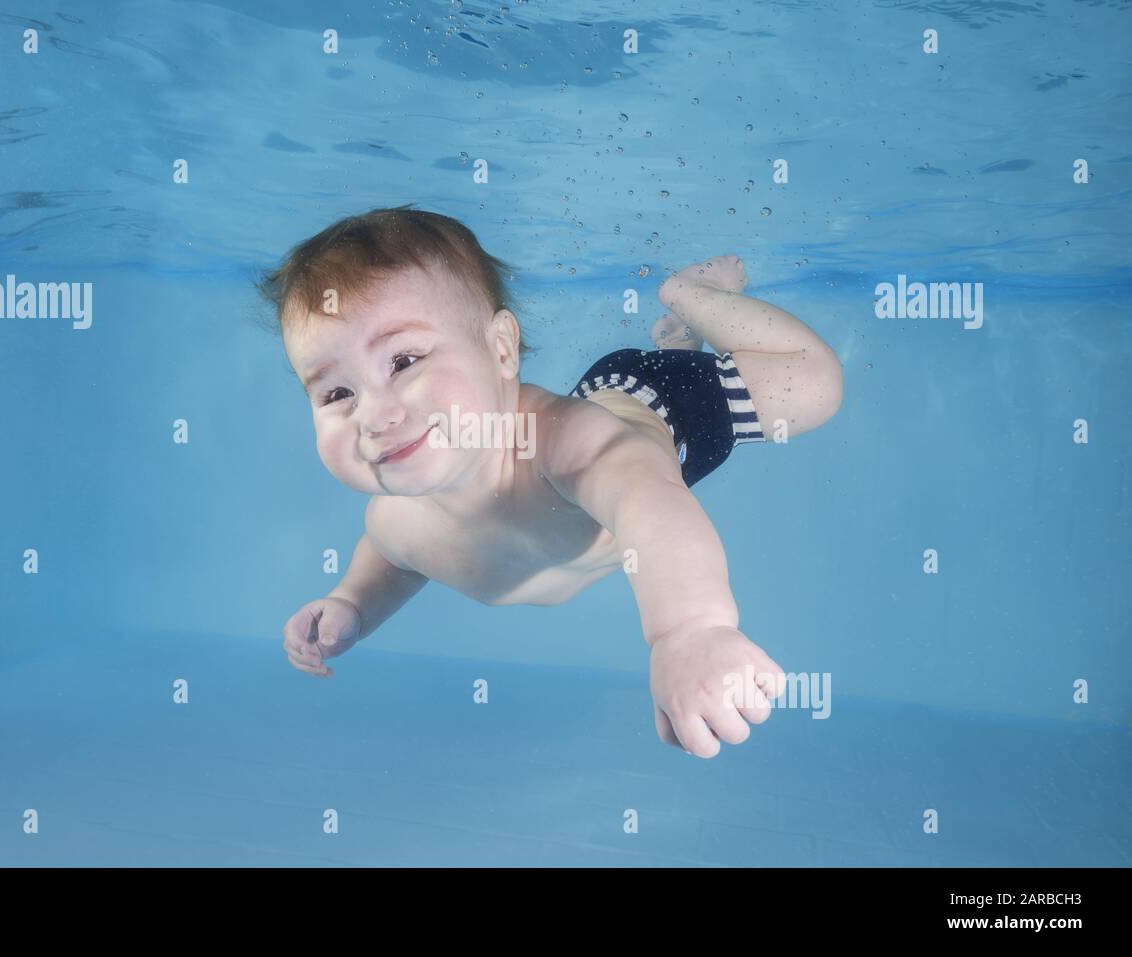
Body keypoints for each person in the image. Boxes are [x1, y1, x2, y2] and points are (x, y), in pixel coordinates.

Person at [260, 205, 842, 758]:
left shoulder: (566, 449)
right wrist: (350, 604)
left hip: (668, 410)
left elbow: (651, 507)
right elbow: (393, 558)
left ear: (501, 348)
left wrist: (689, 630)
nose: (376, 415)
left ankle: (689, 295)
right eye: (337, 393)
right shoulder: (396, 519)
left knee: (815, 383)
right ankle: (678, 335)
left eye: (404, 361)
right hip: (604, 407)